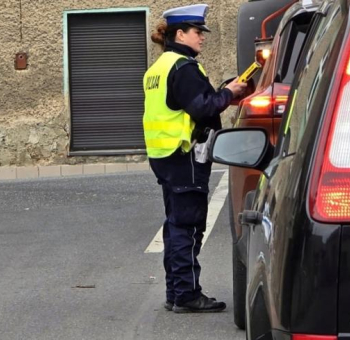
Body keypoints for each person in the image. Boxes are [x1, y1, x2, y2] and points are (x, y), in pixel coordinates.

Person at [143, 4, 247, 313]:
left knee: (175, 224)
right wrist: (229, 93)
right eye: (197, 32)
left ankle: (175, 293)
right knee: (187, 226)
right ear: (180, 33)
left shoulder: (159, 67)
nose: (202, 37)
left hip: (164, 155)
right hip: (185, 154)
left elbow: (182, 105)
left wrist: (222, 93)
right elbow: (202, 108)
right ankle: (187, 295)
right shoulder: (184, 67)